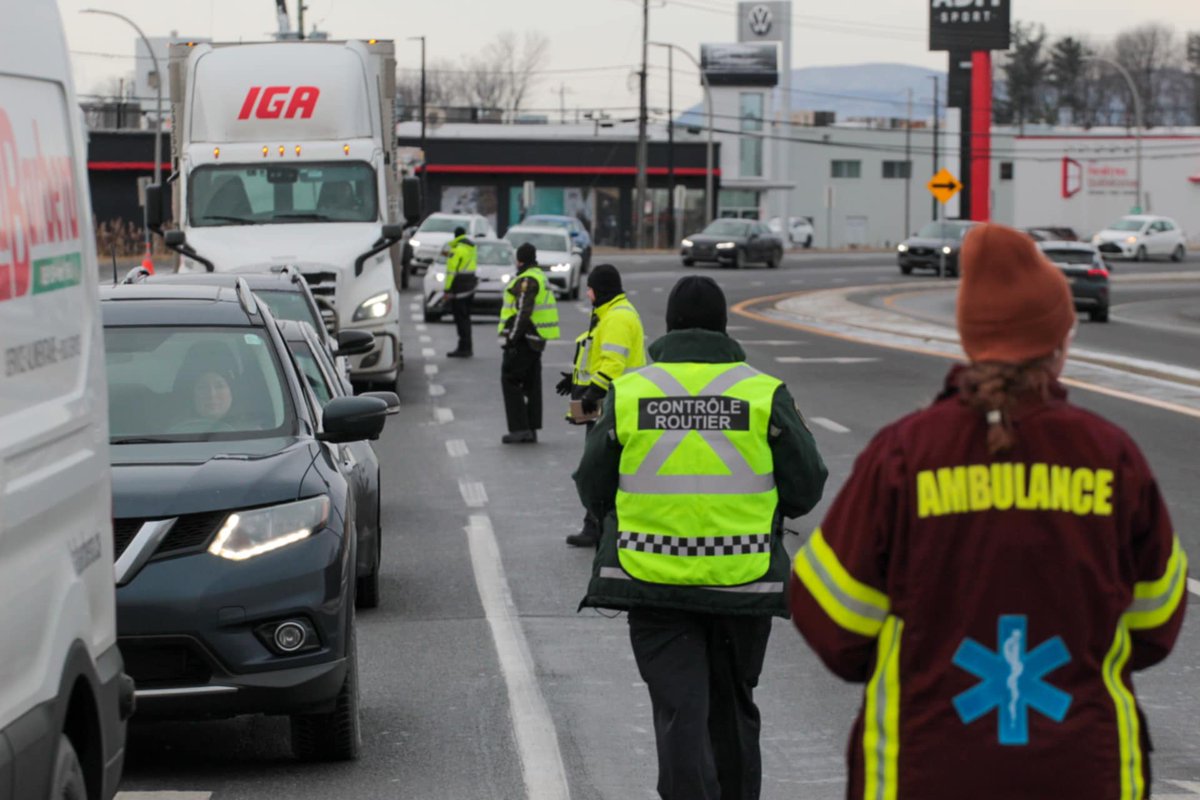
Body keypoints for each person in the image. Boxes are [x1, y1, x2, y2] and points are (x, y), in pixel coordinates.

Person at [790, 224, 1186, 800]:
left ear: (971, 340)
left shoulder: (904, 456)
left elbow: (834, 620)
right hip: (1085, 769)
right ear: (1060, 342)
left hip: (923, 768)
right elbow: (1155, 623)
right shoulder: (1112, 457)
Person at [575, 275, 828, 800]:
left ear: (669, 327)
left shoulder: (632, 390)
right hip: (744, 581)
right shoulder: (763, 392)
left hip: (653, 580)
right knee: (732, 709)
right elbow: (806, 486)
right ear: (723, 327)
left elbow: (592, 483)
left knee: (680, 710)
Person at [557, 263, 646, 547]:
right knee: (603, 466)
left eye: (590, 289)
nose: (588, 294)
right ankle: (598, 525)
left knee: (599, 467)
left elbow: (613, 364)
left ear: (600, 290)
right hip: (610, 401)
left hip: (613, 404)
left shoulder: (617, 318)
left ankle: (597, 527)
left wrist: (590, 395)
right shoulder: (609, 314)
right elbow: (595, 357)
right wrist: (574, 381)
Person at [498, 242, 559, 444]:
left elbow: (524, 312)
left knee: (510, 378)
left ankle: (519, 429)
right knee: (532, 383)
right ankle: (531, 428)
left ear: (520, 260)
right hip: (537, 339)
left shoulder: (527, 281)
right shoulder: (540, 276)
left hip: (525, 339)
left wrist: (511, 339)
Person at [444, 226, 478, 358]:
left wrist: (447, 289)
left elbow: (451, 272)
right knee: (466, 318)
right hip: (470, 286)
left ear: (455, 236)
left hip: (459, 288)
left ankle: (463, 348)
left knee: (460, 319)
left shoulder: (456, 250)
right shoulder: (471, 249)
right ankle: (467, 346)